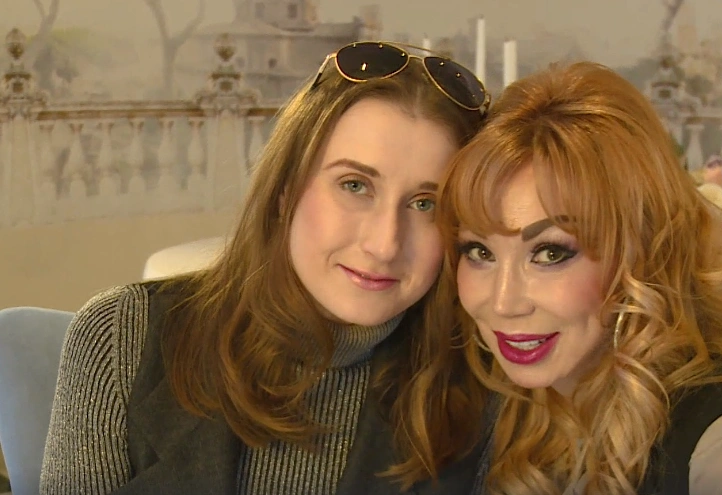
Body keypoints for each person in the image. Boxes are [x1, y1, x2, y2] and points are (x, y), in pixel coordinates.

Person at [40, 41, 491, 495]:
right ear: (284, 190)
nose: (384, 244)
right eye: (355, 185)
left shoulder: (487, 390)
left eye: (425, 204)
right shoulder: (122, 336)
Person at [438, 61, 722, 495]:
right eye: (480, 252)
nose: (503, 302)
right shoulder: (503, 406)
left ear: (641, 252)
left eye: (550, 253)